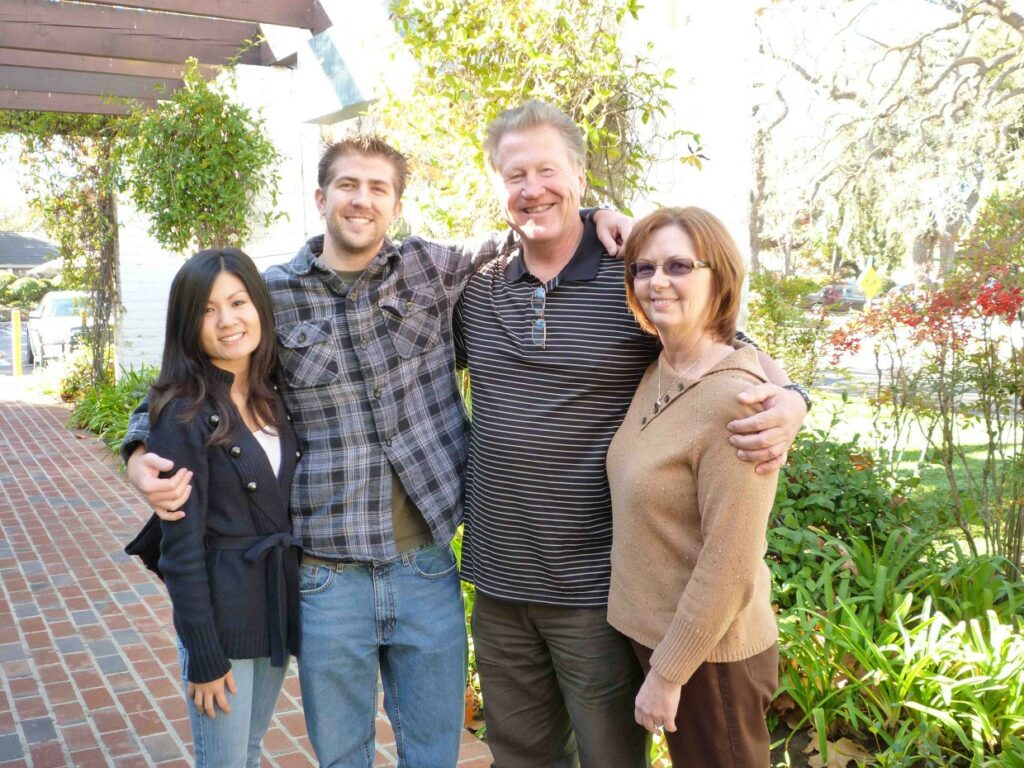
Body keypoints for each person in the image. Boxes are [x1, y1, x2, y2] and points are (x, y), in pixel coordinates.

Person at [122, 136, 632, 768]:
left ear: (397, 205)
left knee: (433, 754)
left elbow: (531, 225)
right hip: (326, 577)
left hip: (427, 571)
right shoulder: (271, 296)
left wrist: (595, 214)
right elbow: (192, 375)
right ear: (321, 198)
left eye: (377, 188)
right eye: (347, 185)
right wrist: (139, 449)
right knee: (343, 758)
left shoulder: (434, 269)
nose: (361, 200)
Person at [455, 100, 808, 767]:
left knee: (611, 757)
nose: (532, 188)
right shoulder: (478, 288)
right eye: (515, 174)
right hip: (499, 582)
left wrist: (794, 398)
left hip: (595, 590)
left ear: (580, 176)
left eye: (547, 170)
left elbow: (719, 345)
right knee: (520, 755)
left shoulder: (631, 281)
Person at [606, 207, 780, 766]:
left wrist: (668, 672)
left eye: (679, 266)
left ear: (719, 277)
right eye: (644, 268)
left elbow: (731, 559)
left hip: (710, 658)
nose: (658, 281)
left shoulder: (739, 401)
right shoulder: (661, 369)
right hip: (660, 639)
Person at [124, 248, 302, 768]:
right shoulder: (183, 411)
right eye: (207, 310)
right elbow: (180, 551)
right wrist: (203, 653)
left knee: (249, 750)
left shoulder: (276, 390)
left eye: (238, 302)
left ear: (259, 306)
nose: (227, 320)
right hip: (222, 621)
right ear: (188, 323)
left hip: (274, 606)